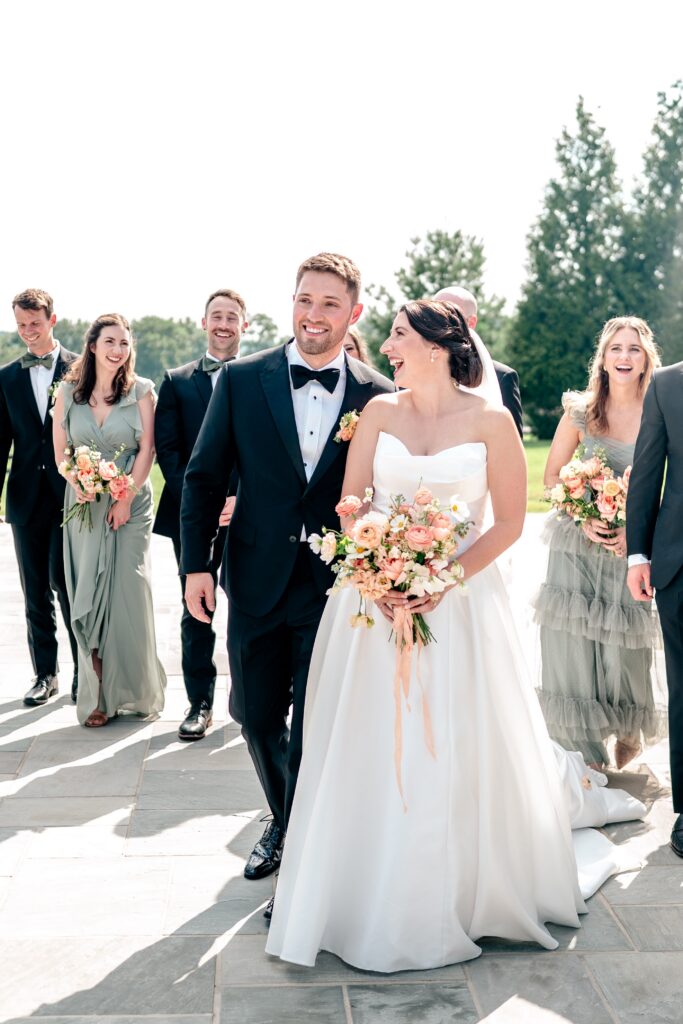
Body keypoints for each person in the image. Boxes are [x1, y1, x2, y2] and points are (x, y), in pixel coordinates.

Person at [266, 300, 640, 972]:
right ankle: (359, 887)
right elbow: (349, 508)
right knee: (368, 739)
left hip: (459, 602)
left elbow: (506, 523)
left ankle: (462, 889)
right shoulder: (378, 414)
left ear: (437, 346)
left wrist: (439, 581)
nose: (384, 345)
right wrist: (379, 572)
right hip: (371, 606)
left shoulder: (491, 421)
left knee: (456, 738)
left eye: (397, 335)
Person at [180, 253, 394, 892]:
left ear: (353, 313)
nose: (314, 315)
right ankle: (288, 815)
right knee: (254, 711)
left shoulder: (379, 396)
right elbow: (203, 475)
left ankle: (297, 844)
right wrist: (197, 566)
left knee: (318, 719)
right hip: (255, 575)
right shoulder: (243, 381)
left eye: (330, 304)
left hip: (337, 587)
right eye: (305, 300)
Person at [535, 317, 664, 769]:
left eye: (634, 349)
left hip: (631, 547)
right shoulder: (581, 411)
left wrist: (637, 529)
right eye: (616, 348)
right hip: (576, 543)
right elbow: (551, 478)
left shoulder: (661, 407)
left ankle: (627, 727)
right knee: (572, 645)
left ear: (646, 358)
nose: (625, 356)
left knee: (624, 650)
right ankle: (584, 750)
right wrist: (584, 515)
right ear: (603, 358)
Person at [52, 314, 166, 727]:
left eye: (124, 343)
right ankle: (99, 694)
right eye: (111, 342)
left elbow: (147, 450)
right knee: (90, 596)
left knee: (128, 592)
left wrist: (124, 498)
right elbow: (62, 455)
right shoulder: (67, 392)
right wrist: (76, 481)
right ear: (94, 345)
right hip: (83, 505)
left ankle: (134, 690)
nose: (119, 350)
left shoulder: (141, 391)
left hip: (130, 507)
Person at [154, 289, 247, 741]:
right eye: (217, 316)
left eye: (232, 317)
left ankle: (255, 702)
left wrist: (243, 499)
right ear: (203, 322)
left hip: (251, 515)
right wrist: (203, 505)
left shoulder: (259, 375)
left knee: (253, 608)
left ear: (244, 325)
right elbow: (168, 451)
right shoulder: (175, 381)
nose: (224, 324)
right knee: (198, 610)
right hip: (192, 518)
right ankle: (199, 703)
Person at [0, 288, 79, 706]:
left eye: (35, 323)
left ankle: (86, 672)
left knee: (72, 589)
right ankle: (44, 674)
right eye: (21, 325)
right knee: (35, 591)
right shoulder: (6, 376)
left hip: (72, 496)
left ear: (52, 320)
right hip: (25, 498)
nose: (28, 332)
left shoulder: (80, 368)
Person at [627, 349, 683, 858]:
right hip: (679, 563)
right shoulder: (666, 385)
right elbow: (647, 475)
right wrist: (637, 555)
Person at [434, 285, 524, 437]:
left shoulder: (502, 377)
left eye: (450, 315)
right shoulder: (413, 374)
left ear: (471, 322)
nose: (438, 323)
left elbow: (512, 445)